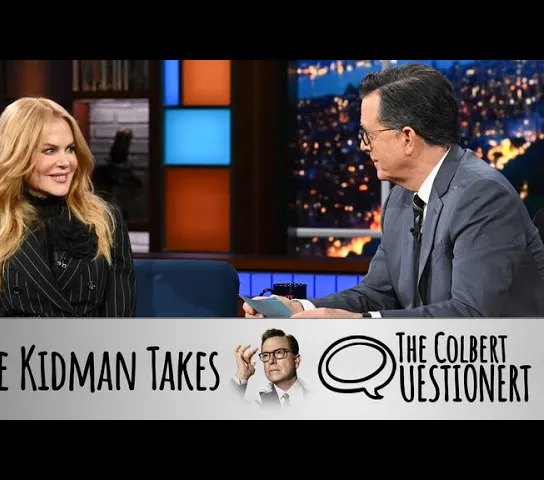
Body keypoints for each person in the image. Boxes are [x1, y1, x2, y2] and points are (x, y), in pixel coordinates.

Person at [244, 62, 544, 319]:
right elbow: (376, 294)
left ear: (408, 138)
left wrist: (360, 322)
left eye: (368, 134)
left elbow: (470, 314)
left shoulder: (482, 196)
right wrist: (301, 308)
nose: (364, 146)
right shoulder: (400, 199)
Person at [0, 97, 136, 317]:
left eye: (70, 149)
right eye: (50, 150)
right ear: (17, 156)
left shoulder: (105, 220)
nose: (66, 162)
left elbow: (120, 321)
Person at [231, 329, 308, 409]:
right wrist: (242, 374)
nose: (271, 361)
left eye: (279, 352)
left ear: (296, 360)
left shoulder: (315, 398)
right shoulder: (257, 403)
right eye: (266, 355)